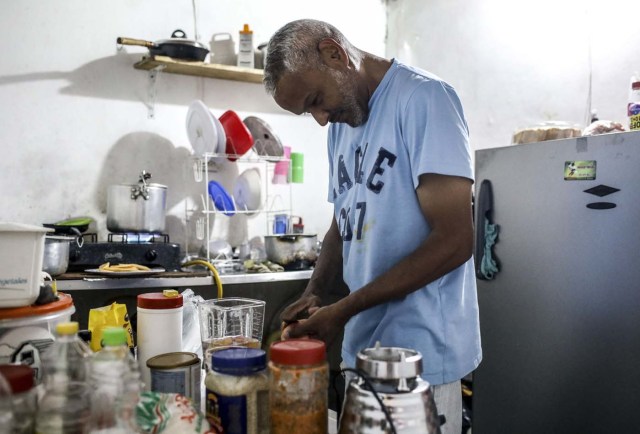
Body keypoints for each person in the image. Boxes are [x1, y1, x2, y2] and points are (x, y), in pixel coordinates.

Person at [263, 19, 481, 433]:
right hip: (360, 354)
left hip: (420, 363)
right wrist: (316, 291)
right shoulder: (342, 122)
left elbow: (455, 240)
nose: (322, 119)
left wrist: (344, 308)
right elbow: (342, 222)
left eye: (315, 100)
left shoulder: (424, 99)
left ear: (334, 53)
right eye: (309, 111)